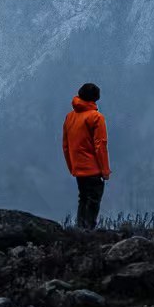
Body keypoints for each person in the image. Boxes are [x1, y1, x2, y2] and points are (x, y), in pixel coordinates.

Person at [62, 82, 110, 229]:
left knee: (83, 199)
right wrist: (105, 171)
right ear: (95, 98)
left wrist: (72, 167)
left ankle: (80, 231)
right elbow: (100, 145)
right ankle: (88, 231)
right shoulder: (96, 117)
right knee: (93, 200)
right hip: (93, 169)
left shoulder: (70, 117)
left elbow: (65, 145)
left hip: (78, 168)